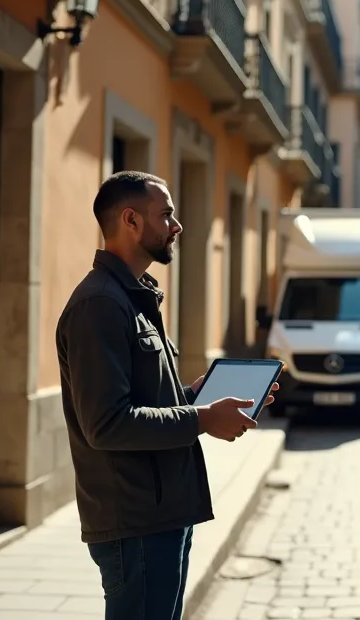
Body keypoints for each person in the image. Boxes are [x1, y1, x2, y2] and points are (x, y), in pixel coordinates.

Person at [56, 171, 277, 620]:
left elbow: (147, 399)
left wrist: (196, 397)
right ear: (131, 220)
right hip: (134, 522)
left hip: (163, 513)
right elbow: (108, 424)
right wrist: (202, 420)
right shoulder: (99, 304)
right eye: (167, 214)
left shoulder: (135, 297)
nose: (177, 226)